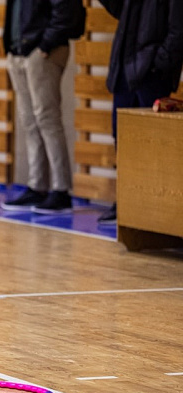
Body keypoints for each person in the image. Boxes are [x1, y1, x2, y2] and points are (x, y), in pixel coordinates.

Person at [96, 0, 183, 225]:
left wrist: (159, 63)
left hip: (152, 73)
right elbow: (118, 8)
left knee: (154, 143)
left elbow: (178, 28)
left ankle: (154, 209)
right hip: (125, 67)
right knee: (122, 138)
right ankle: (125, 201)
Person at [0, 0, 85, 215]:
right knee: (29, 121)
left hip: (42, 52)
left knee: (47, 120)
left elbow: (66, 12)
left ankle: (61, 190)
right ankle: (37, 185)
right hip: (18, 52)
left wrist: (45, 45)